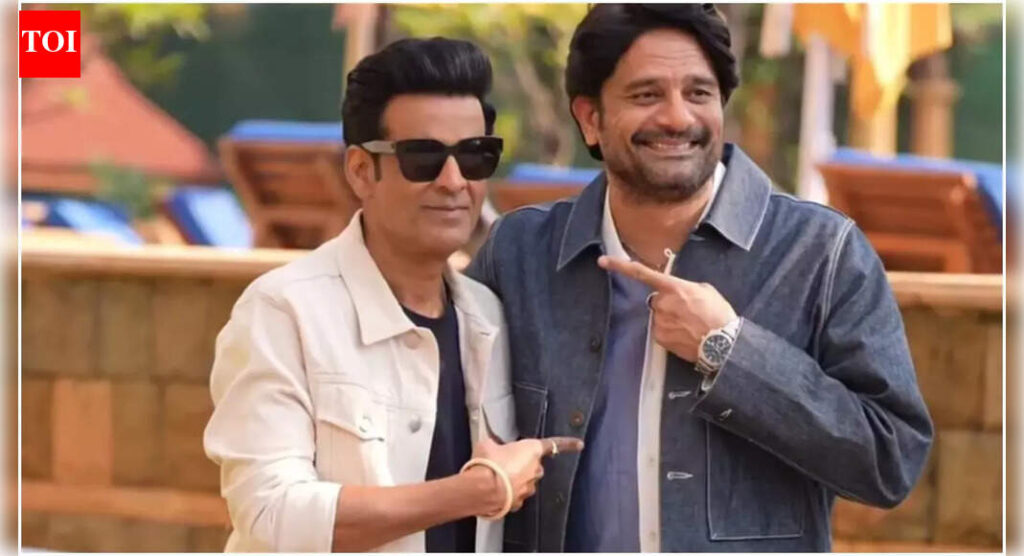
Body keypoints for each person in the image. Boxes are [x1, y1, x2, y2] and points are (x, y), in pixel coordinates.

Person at [466, 4, 933, 552]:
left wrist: (730, 351)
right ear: (590, 118)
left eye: (699, 93)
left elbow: (891, 461)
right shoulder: (520, 254)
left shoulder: (821, 253)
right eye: (646, 95)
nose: (676, 117)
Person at [204, 37, 582, 553]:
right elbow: (272, 513)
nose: (454, 181)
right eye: (423, 157)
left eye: (475, 155)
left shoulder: (489, 316)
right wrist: (476, 491)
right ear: (361, 171)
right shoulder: (283, 311)